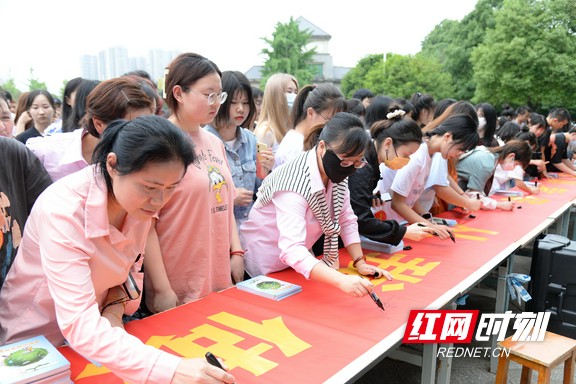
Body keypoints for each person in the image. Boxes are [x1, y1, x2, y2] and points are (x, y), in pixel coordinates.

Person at [0, 115, 236, 383]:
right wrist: (172, 369)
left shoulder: (138, 204)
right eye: (150, 187)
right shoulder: (64, 211)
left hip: (99, 339)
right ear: (112, 165)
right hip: (36, 344)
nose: (160, 201)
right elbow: (78, 322)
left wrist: (112, 314)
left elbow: (127, 271)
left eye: (171, 188)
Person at [241, 112, 391, 294]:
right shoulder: (293, 183)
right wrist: (341, 281)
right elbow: (292, 249)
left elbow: (346, 218)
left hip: (299, 263)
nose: (350, 168)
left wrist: (359, 261)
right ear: (322, 147)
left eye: (357, 162)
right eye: (345, 161)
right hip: (265, 264)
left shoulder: (338, 172)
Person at [144, 53, 245, 315]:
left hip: (217, 274)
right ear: (179, 93)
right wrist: (163, 288)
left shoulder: (213, 142)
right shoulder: (159, 144)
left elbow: (225, 202)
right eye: (208, 94)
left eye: (219, 95)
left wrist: (236, 252)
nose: (216, 104)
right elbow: (146, 224)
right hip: (178, 282)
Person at [26, 77, 155, 181]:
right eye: (130, 128)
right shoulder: (43, 152)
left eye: (147, 126)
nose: (141, 135)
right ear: (99, 124)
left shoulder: (148, 157)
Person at [347, 109, 437, 246]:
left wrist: (368, 198)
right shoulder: (363, 165)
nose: (407, 160)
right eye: (406, 154)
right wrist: (403, 232)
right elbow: (361, 220)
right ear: (388, 143)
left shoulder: (373, 163)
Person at [384, 114, 478, 235]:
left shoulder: (431, 155)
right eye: (460, 149)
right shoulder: (417, 156)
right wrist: (432, 227)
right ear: (448, 137)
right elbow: (397, 203)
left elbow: (410, 194)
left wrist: (427, 219)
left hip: (399, 223)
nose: (459, 154)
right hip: (388, 222)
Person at [205, 71, 274, 228]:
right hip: (218, 228)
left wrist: (266, 171)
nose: (241, 109)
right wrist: (230, 197)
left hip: (249, 228)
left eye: (245, 103)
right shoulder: (205, 142)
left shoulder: (251, 140)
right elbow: (199, 196)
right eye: (234, 102)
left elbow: (260, 192)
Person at [0, 95, 53, 288]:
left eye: (5, 117)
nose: (1, 127)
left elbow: (50, 212)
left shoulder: (14, 153)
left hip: (15, 291)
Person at [274, 83, 346, 169]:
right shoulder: (296, 147)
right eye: (329, 119)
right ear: (311, 113)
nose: (334, 125)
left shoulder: (305, 139)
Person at [456, 140, 532, 210]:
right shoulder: (487, 164)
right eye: (515, 164)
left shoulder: (489, 155)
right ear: (511, 156)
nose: (513, 169)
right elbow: (474, 195)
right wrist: (500, 205)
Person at [253, 73, 298, 153]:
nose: (294, 96)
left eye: (296, 92)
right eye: (289, 91)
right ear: (275, 95)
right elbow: (259, 164)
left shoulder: (293, 127)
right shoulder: (265, 132)